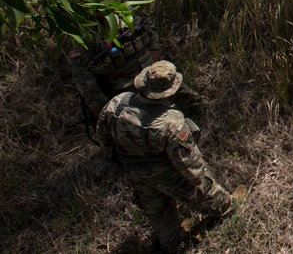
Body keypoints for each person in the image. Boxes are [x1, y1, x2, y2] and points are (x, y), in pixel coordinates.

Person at [96, 62, 244, 253]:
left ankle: (175, 243)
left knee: (157, 211)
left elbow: (103, 136)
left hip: (133, 170)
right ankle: (228, 207)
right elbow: (191, 166)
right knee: (200, 192)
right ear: (169, 90)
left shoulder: (117, 103)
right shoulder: (170, 121)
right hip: (166, 173)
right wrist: (202, 184)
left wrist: (118, 160)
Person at [67, 13, 203, 121]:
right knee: (147, 118)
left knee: (179, 89)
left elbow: (147, 22)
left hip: (149, 69)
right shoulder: (85, 35)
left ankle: (200, 108)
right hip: (123, 84)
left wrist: (153, 46)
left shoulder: (126, 13)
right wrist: (96, 101)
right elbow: (82, 73)